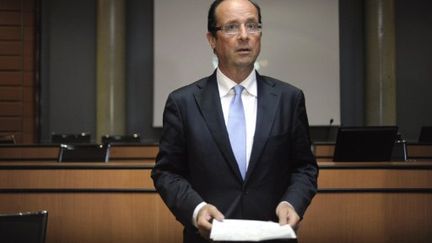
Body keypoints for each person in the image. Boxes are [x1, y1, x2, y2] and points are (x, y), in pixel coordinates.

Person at [151, 0, 318, 242]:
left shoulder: (289, 99)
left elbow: (304, 167)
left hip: (274, 235)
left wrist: (291, 203)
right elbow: (166, 172)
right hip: (208, 237)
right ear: (211, 39)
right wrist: (196, 209)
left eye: (252, 26)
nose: (244, 36)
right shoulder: (183, 103)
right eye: (231, 27)